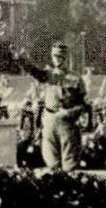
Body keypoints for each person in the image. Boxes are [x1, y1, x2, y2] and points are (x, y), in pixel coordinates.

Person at [13, 42, 89, 171]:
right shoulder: (48, 74)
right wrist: (21, 59)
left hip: (66, 122)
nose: (57, 59)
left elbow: (83, 105)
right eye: (54, 56)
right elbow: (33, 71)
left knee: (69, 163)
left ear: (65, 57)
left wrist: (69, 112)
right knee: (51, 161)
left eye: (60, 56)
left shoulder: (75, 78)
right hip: (49, 120)